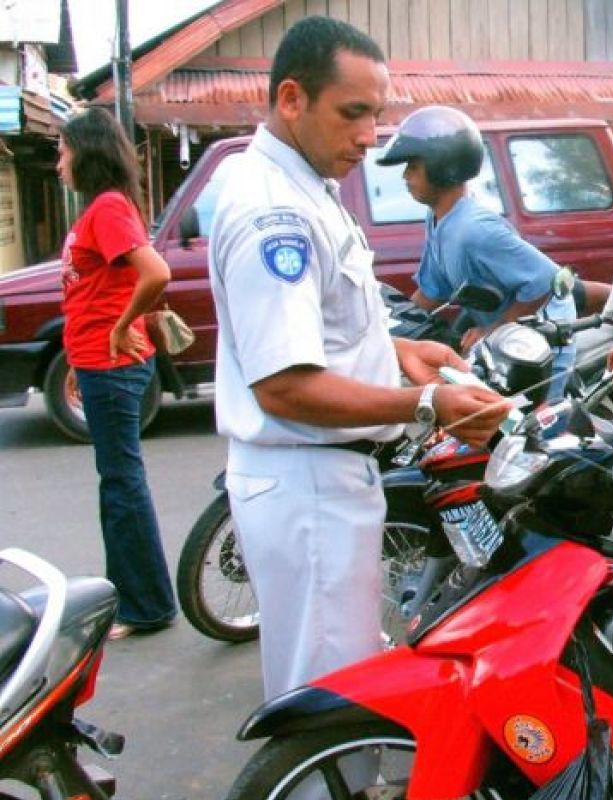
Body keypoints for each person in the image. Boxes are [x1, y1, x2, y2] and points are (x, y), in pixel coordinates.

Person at [208, 17, 509, 701]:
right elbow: (285, 385)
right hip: (307, 478)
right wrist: (427, 403)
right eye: (353, 113)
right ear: (292, 99)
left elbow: (321, 323)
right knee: (331, 697)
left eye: (376, 114)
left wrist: (400, 352)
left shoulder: (303, 185)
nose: (370, 137)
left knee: (343, 675)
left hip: (322, 476)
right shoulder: (273, 213)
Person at [56, 107, 178, 642]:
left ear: (87, 151)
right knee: (119, 482)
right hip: (98, 364)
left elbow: (156, 272)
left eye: (62, 150)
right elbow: (94, 291)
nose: (59, 161)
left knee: (121, 484)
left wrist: (119, 327)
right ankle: (138, 598)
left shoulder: (106, 207)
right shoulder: (106, 207)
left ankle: (145, 606)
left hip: (113, 362)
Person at [376, 106, 576, 400]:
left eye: (413, 167)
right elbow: (431, 292)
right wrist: (386, 330)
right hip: (504, 342)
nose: (406, 176)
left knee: (525, 431)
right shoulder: (439, 220)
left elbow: (545, 279)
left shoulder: (474, 230)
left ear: (442, 167)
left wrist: (493, 328)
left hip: (542, 344)